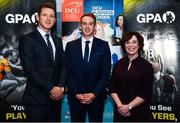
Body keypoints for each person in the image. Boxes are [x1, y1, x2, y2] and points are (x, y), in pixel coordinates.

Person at [18, 2, 66, 122]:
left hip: (55, 101)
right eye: (45, 15)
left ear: (55, 20)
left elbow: (63, 66)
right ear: (38, 17)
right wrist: (51, 89)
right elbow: (30, 71)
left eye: (51, 16)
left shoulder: (58, 41)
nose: (48, 19)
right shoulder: (27, 40)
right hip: (36, 100)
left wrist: (60, 87)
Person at [65, 13, 111, 122]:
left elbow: (105, 73)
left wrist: (94, 94)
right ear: (80, 26)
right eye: (84, 24)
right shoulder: (70, 46)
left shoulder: (103, 45)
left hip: (96, 98)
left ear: (94, 26)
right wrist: (76, 93)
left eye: (90, 24)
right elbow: (68, 71)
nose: (87, 27)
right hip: (76, 98)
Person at [109, 32, 154, 122]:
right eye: (127, 42)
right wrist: (121, 107)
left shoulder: (147, 66)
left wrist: (128, 107)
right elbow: (112, 88)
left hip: (139, 113)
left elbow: (145, 92)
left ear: (139, 45)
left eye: (134, 42)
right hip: (120, 112)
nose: (130, 45)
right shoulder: (118, 64)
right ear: (124, 45)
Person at [143, 32, 164, 103]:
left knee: (147, 86)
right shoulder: (158, 49)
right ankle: (158, 99)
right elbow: (161, 60)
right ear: (154, 39)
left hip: (148, 69)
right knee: (157, 85)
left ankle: (148, 100)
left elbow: (143, 60)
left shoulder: (145, 49)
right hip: (156, 69)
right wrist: (162, 71)